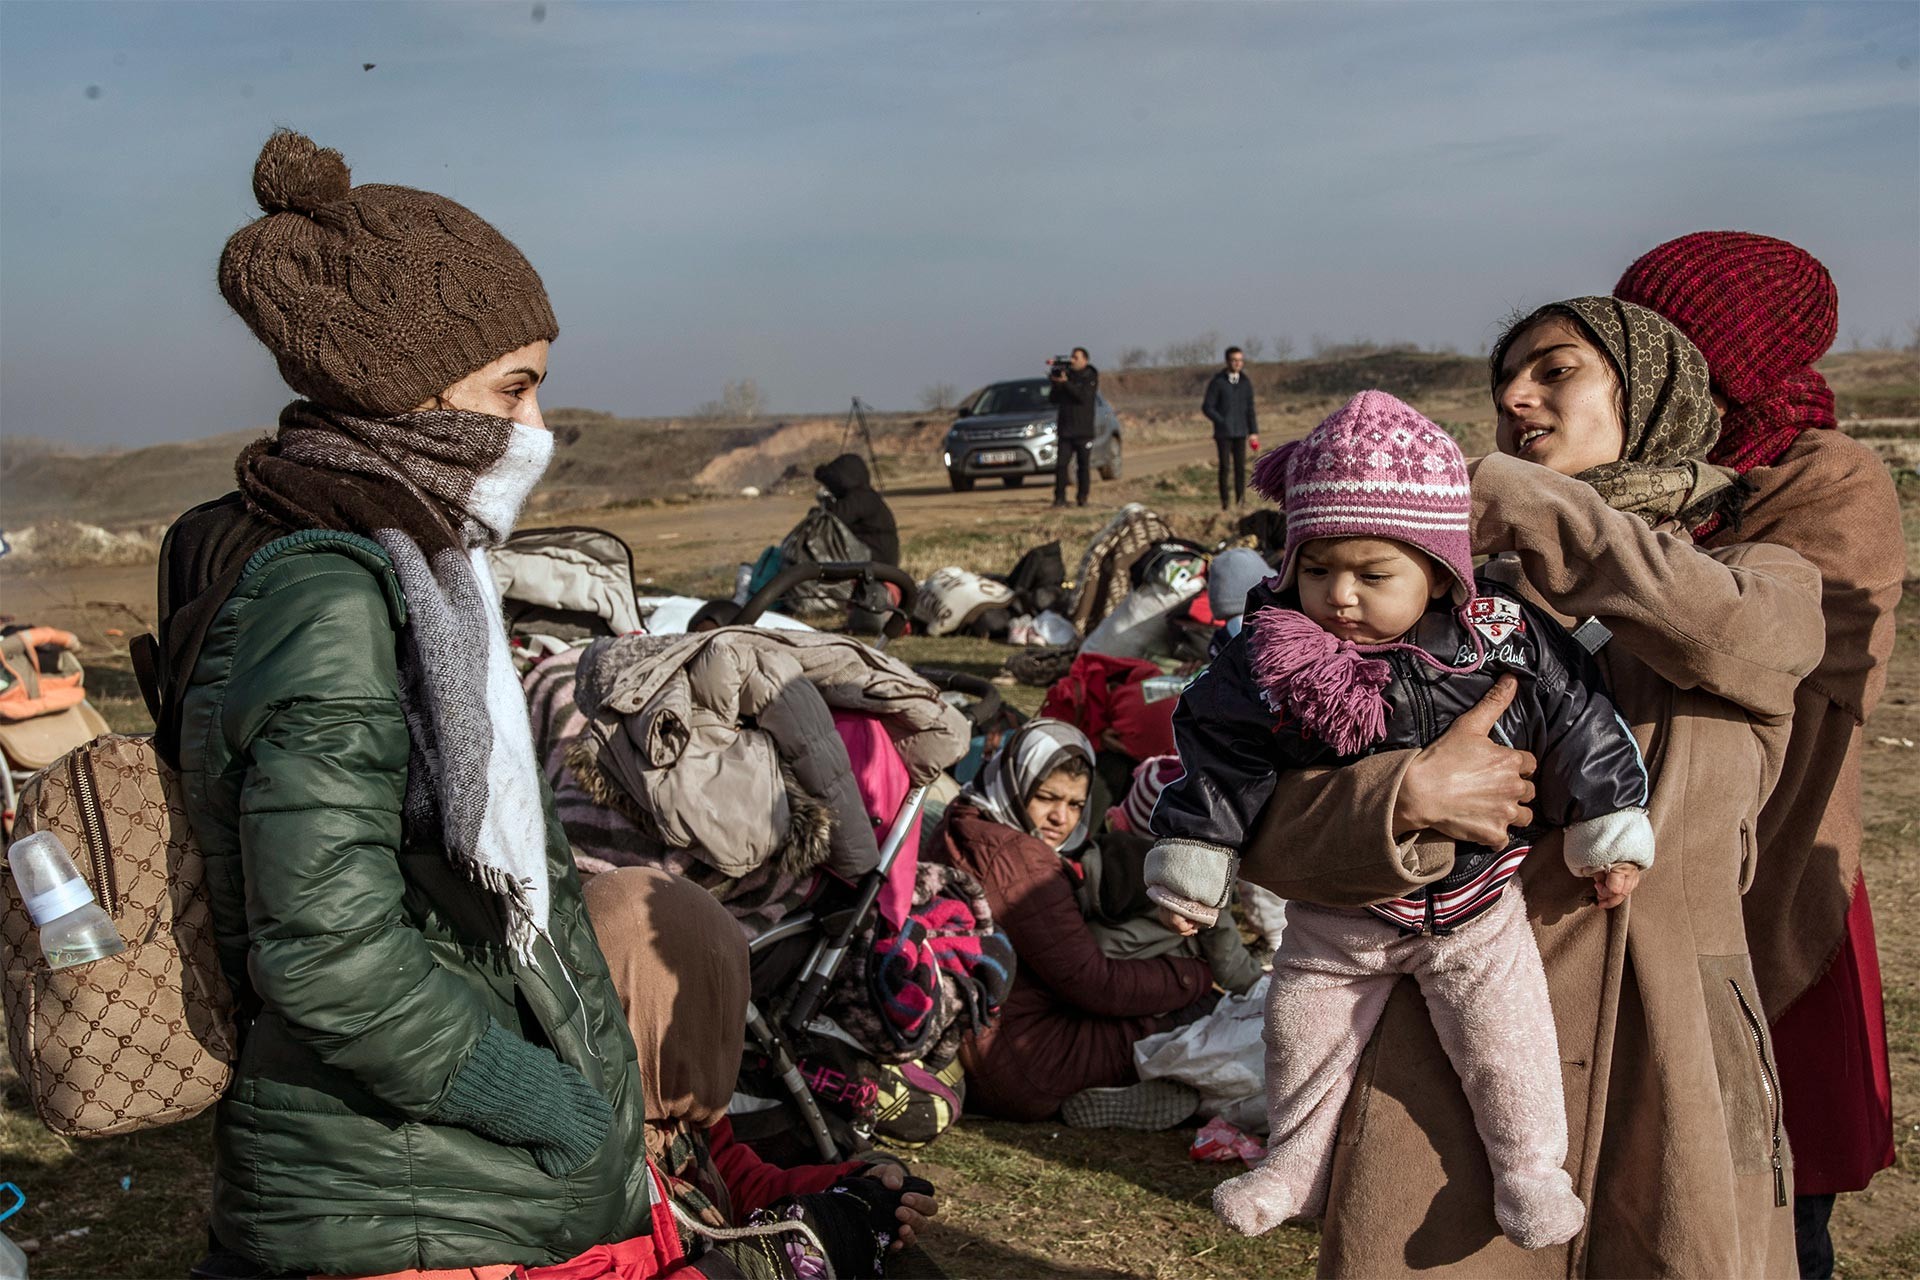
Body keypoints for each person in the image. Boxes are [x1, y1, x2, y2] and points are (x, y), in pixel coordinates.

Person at [1229, 297, 1822, 1277]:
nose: (1514, 394)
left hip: (1668, 1051)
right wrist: (1405, 797)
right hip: (1447, 1060)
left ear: (1654, 392)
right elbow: (1268, 824)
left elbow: (1746, 646)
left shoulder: (1760, 574)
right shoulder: (1417, 599)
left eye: (1555, 369)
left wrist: (1542, 505)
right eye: (1506, 376)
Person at [171, 129, 657, 1276]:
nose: (535, 429)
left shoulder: (400, 562)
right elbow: (326, 949)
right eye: (514, 387)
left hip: (420, 1178)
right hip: (406, 1192)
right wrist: (541, 1095)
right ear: (407, 385)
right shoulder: (331, 589)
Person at [1146, 392, 1654, 1248]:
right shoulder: (1267, 655)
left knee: (1509, 1043)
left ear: (1439, 566)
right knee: (1301, 1037)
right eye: (1317, 569)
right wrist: (1196, 853)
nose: (1340, 597)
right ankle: (1292, 1166)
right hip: (1336, 916)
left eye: (1373, 573)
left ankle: (1531, 1169)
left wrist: (1606, 824)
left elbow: (1579, 717)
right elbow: (1219, 752)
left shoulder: (1500, 634)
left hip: (1476, 907)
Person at [1615, 232, 1902, 1278]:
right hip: (1640, 870)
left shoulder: (1830, 482)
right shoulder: (1639, 480)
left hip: (1772, 876)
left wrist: (1591, 538)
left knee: (1774, 1187)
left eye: (1662, 343)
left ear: (1719, 356)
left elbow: (1753, 650)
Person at [586, 867, 940, 1280]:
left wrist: (852, 1185)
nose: (720, 1040)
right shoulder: (570, 1160)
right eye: (708, 1013)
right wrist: (762, 1266)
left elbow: (741, 1185)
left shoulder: (677, 1119)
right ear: (644, 1006)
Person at [927, 719, 1217, 1127]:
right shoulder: (1023, 864)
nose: (1060, 818)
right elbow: (1094, 984)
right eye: (1046, 798)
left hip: (988, 1041)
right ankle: (1169, 1092)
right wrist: (1193, 977)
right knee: (1204, 1014)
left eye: (1075, 805)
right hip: (1024, 1063)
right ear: (1018, 783)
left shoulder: (968, 819)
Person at [814, 452, 899, 565]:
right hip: (874, 557)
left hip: (876, 558)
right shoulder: (864, 495)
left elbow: (835, 517)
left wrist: (826, 501)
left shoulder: (862, 497)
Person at [1201, 346, 1258, 509]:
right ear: (1227, 361)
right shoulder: (1217, 382)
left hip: (1241, 432)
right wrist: (1221, 421)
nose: (1237, 363)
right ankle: (1224, 502)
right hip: (1223, 433)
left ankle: (1240, 501)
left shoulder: (1246, 383)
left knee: (1240, 468)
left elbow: (1250, 409)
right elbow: (1207, 407)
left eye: (1240, 360)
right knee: (1225, 467)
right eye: (1234, 360)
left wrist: (1253, 431)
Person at [1048, 347, 1099, 508]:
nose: (1072, 360)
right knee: (1061, 465)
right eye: (1071, 357)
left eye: (1076, 358)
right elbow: (1053, 399)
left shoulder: (1090, 376)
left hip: (1083, 430)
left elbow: (1082, 397)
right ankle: (1059, 498)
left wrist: (1066, 384)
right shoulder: (1066, 376)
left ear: (1085, 360)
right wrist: (1056, 385)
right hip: (1066, 430)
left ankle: (1082, 497)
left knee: (1083, 466)